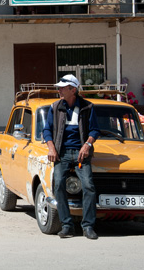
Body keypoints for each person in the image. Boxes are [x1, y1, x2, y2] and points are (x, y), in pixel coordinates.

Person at [43, 74, 100, 240]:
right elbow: (47, 130)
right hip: (62, 153)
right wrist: (52, 148)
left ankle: (88, 226)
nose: (59, 90)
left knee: (89, 186)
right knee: (58, 184)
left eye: (62, 87)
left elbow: (95, 130)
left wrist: (87, 145)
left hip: (82, 153)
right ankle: (67, 225)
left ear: (73, 90)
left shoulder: (88, 107)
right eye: (59, 87)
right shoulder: (55, 107)